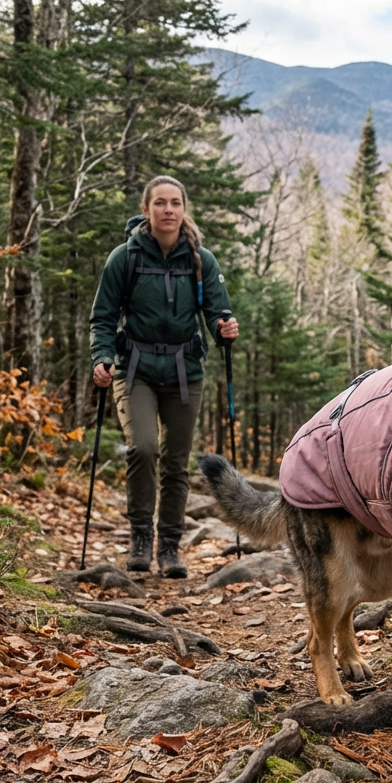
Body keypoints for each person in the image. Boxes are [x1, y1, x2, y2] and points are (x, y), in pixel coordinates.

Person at [89, 175, 239, 577]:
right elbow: (103, 317)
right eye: (160, 203)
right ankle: (140, 538)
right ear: (146, 209)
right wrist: (102, 356)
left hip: (183, 370)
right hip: (134, 368)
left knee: (175, 461)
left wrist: (224, 325)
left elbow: (216, 312)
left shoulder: (200, 260)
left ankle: (170, 547)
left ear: (184, 209)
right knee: (142, 448)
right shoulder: (125, 257)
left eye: (175, 203)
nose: (168, 210)